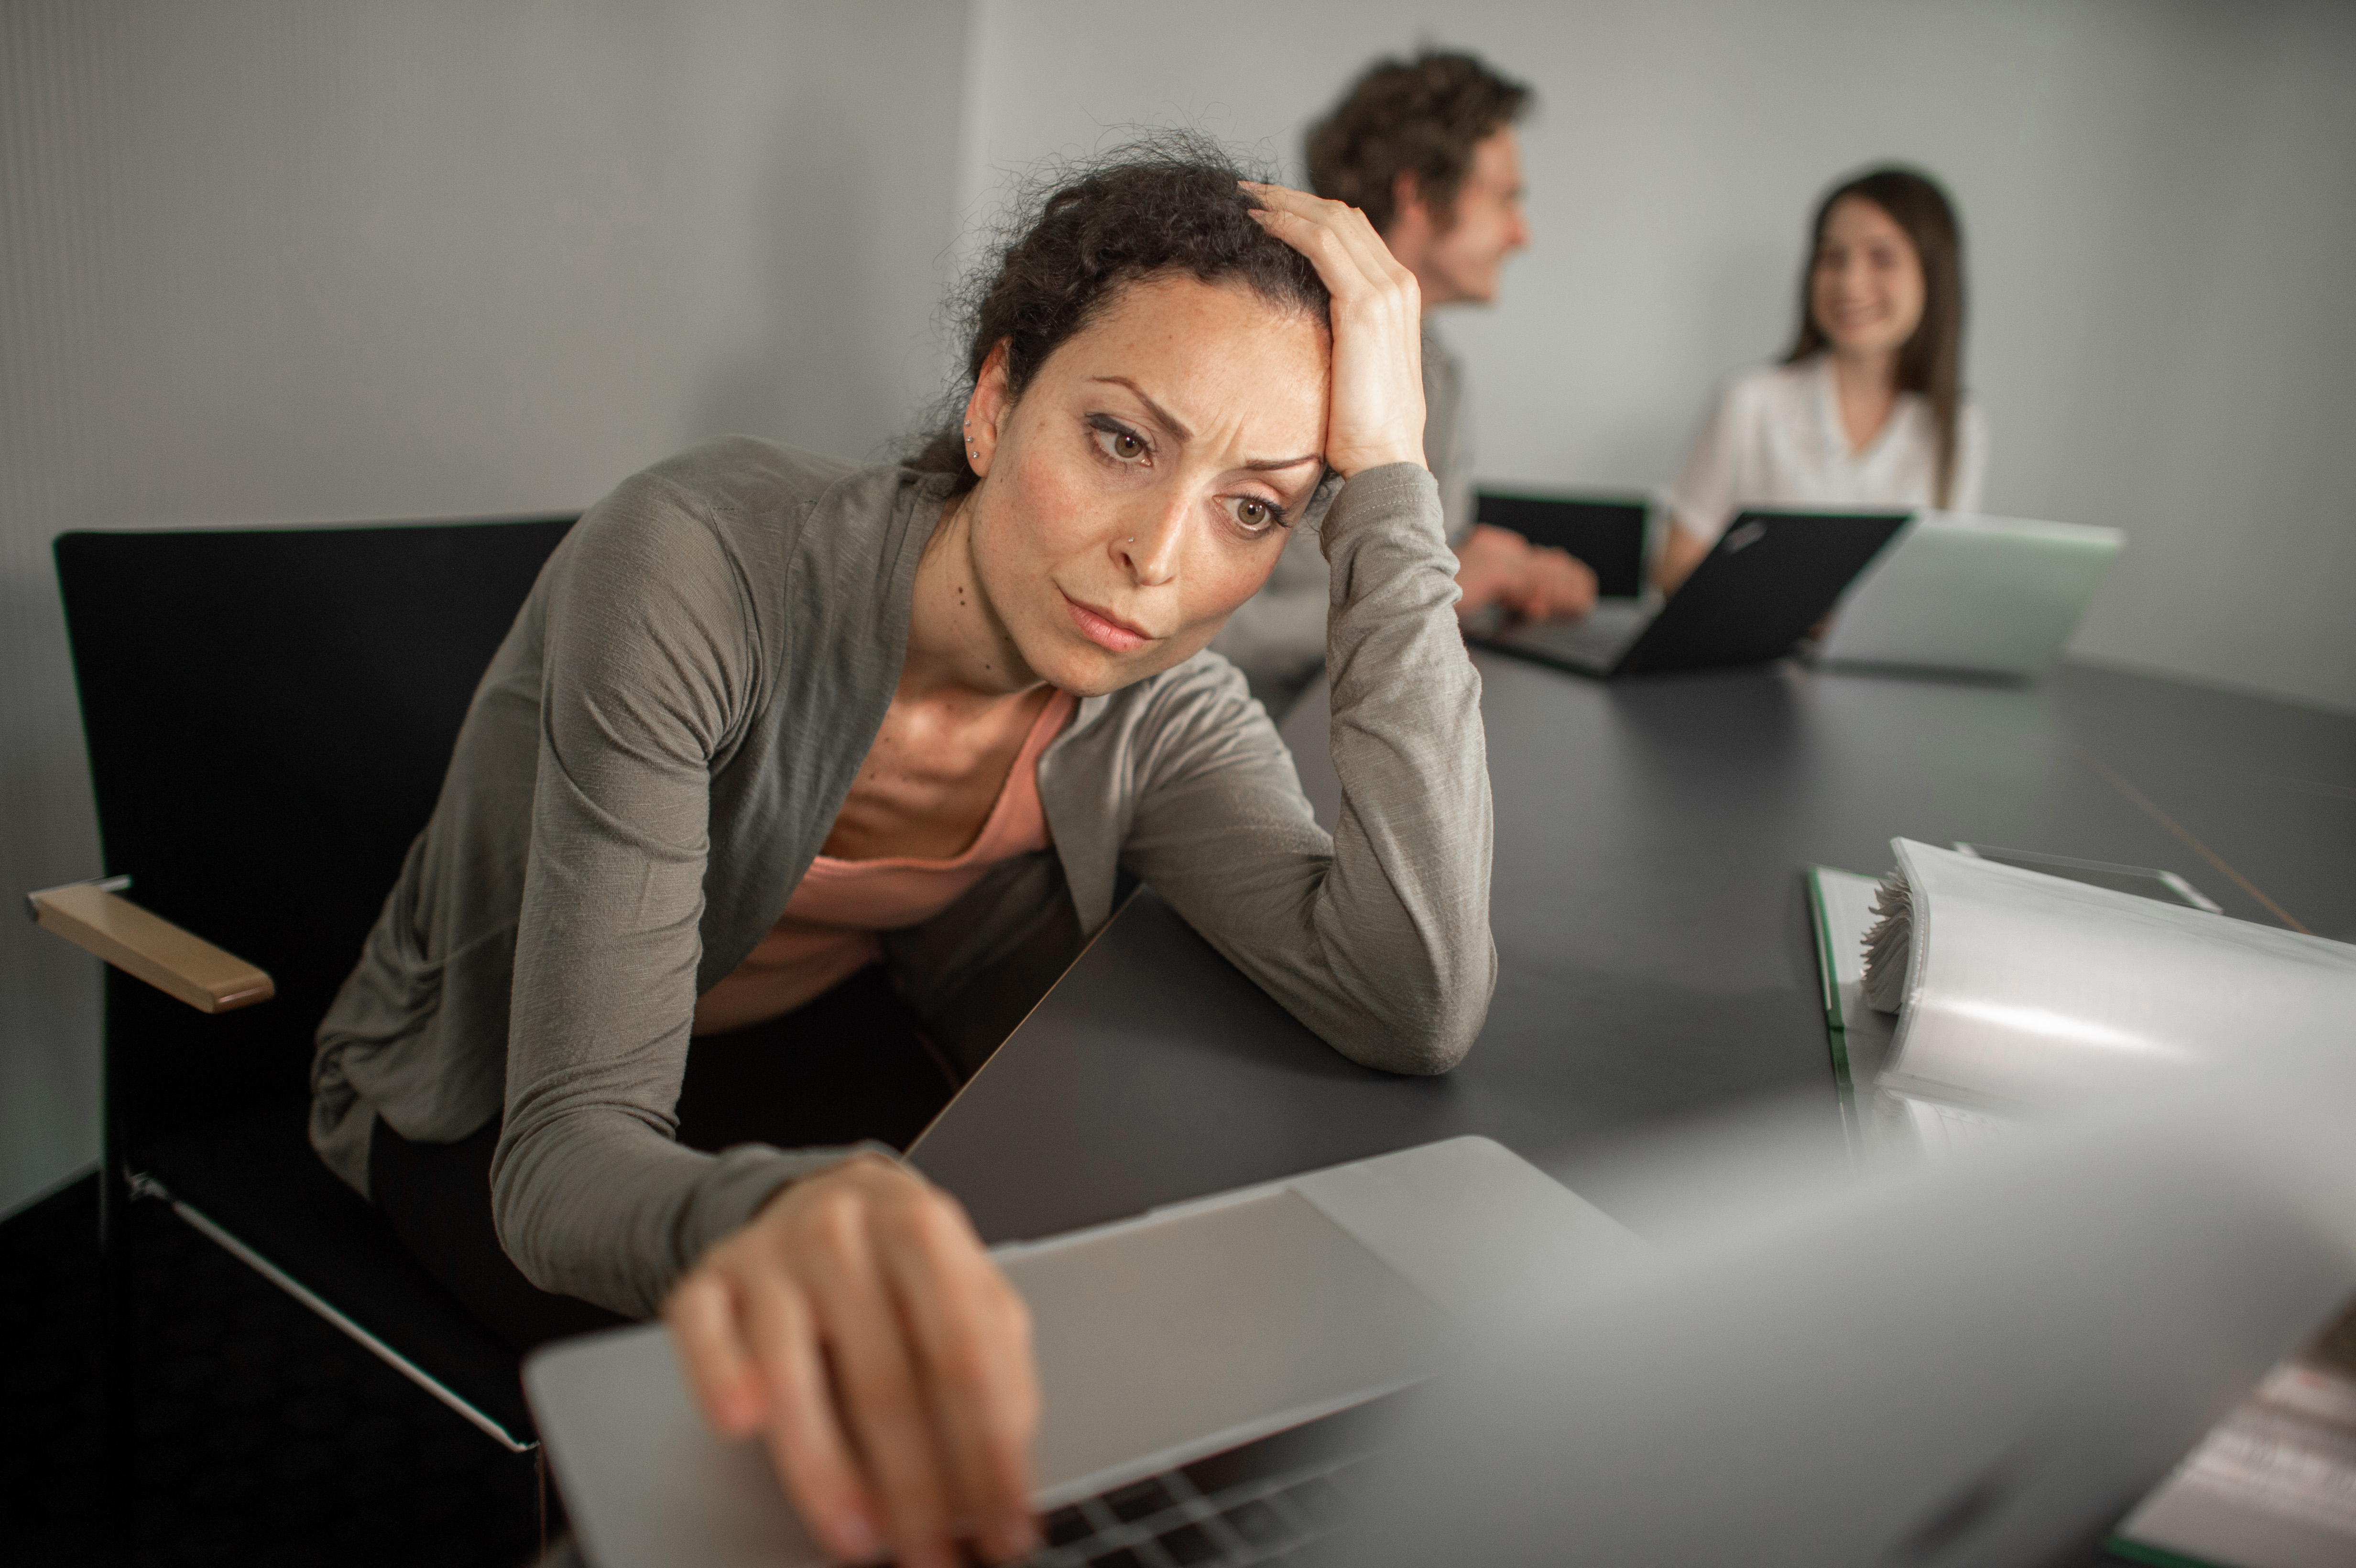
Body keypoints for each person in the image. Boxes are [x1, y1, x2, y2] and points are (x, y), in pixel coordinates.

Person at [308, 142, 1494, 1568]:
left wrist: (1390, 491)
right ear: (997, 401)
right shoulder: (701, 565)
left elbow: (1411, 988)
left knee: (1073, 1373)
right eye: (1121, 439)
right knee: (815, 1434)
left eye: (1255, 505)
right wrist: (795, 1207)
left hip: (798, 1033)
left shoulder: (1161, 702)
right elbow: (559, 1169)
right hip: (490, 1098)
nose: (1160, 559)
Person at [1210, 51, 1596, 712]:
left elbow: (1410, 558)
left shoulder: (1436, 364)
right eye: (1505, 198)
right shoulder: (1272, 355)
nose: (1521, 234)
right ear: (1418, 195)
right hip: (1250, 736)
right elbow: (1201, 626)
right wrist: (1440, 589)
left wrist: (1508, 571)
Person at [1656, 165, 1986, 593]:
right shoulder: (1751, 401)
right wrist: (1788, 612)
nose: (1850, 283)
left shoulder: (1959, 426)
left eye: (1882, 258)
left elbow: (1945, 587)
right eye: (1832, 258)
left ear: (1933, 278)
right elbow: (1672, 568)